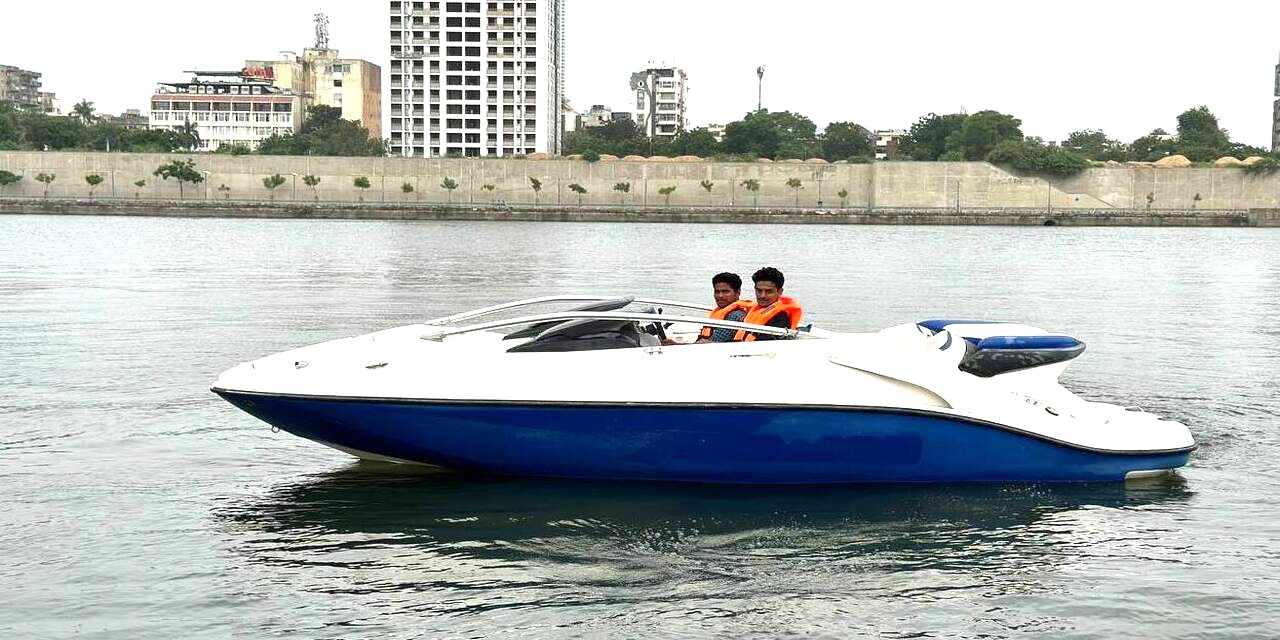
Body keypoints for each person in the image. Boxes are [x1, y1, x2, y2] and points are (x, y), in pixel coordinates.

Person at [734, 267, 804, 342]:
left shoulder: (780, 319)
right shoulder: (754, 311)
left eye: (768, 291)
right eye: (759, 291)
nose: (762, 296)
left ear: (780, 291)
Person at [697, 272, 754, 343]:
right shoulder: (721, 312)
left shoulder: (736, 316)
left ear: (738, 292)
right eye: (717, 292)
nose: (720, 295)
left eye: (725, 292)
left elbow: (714, 342)